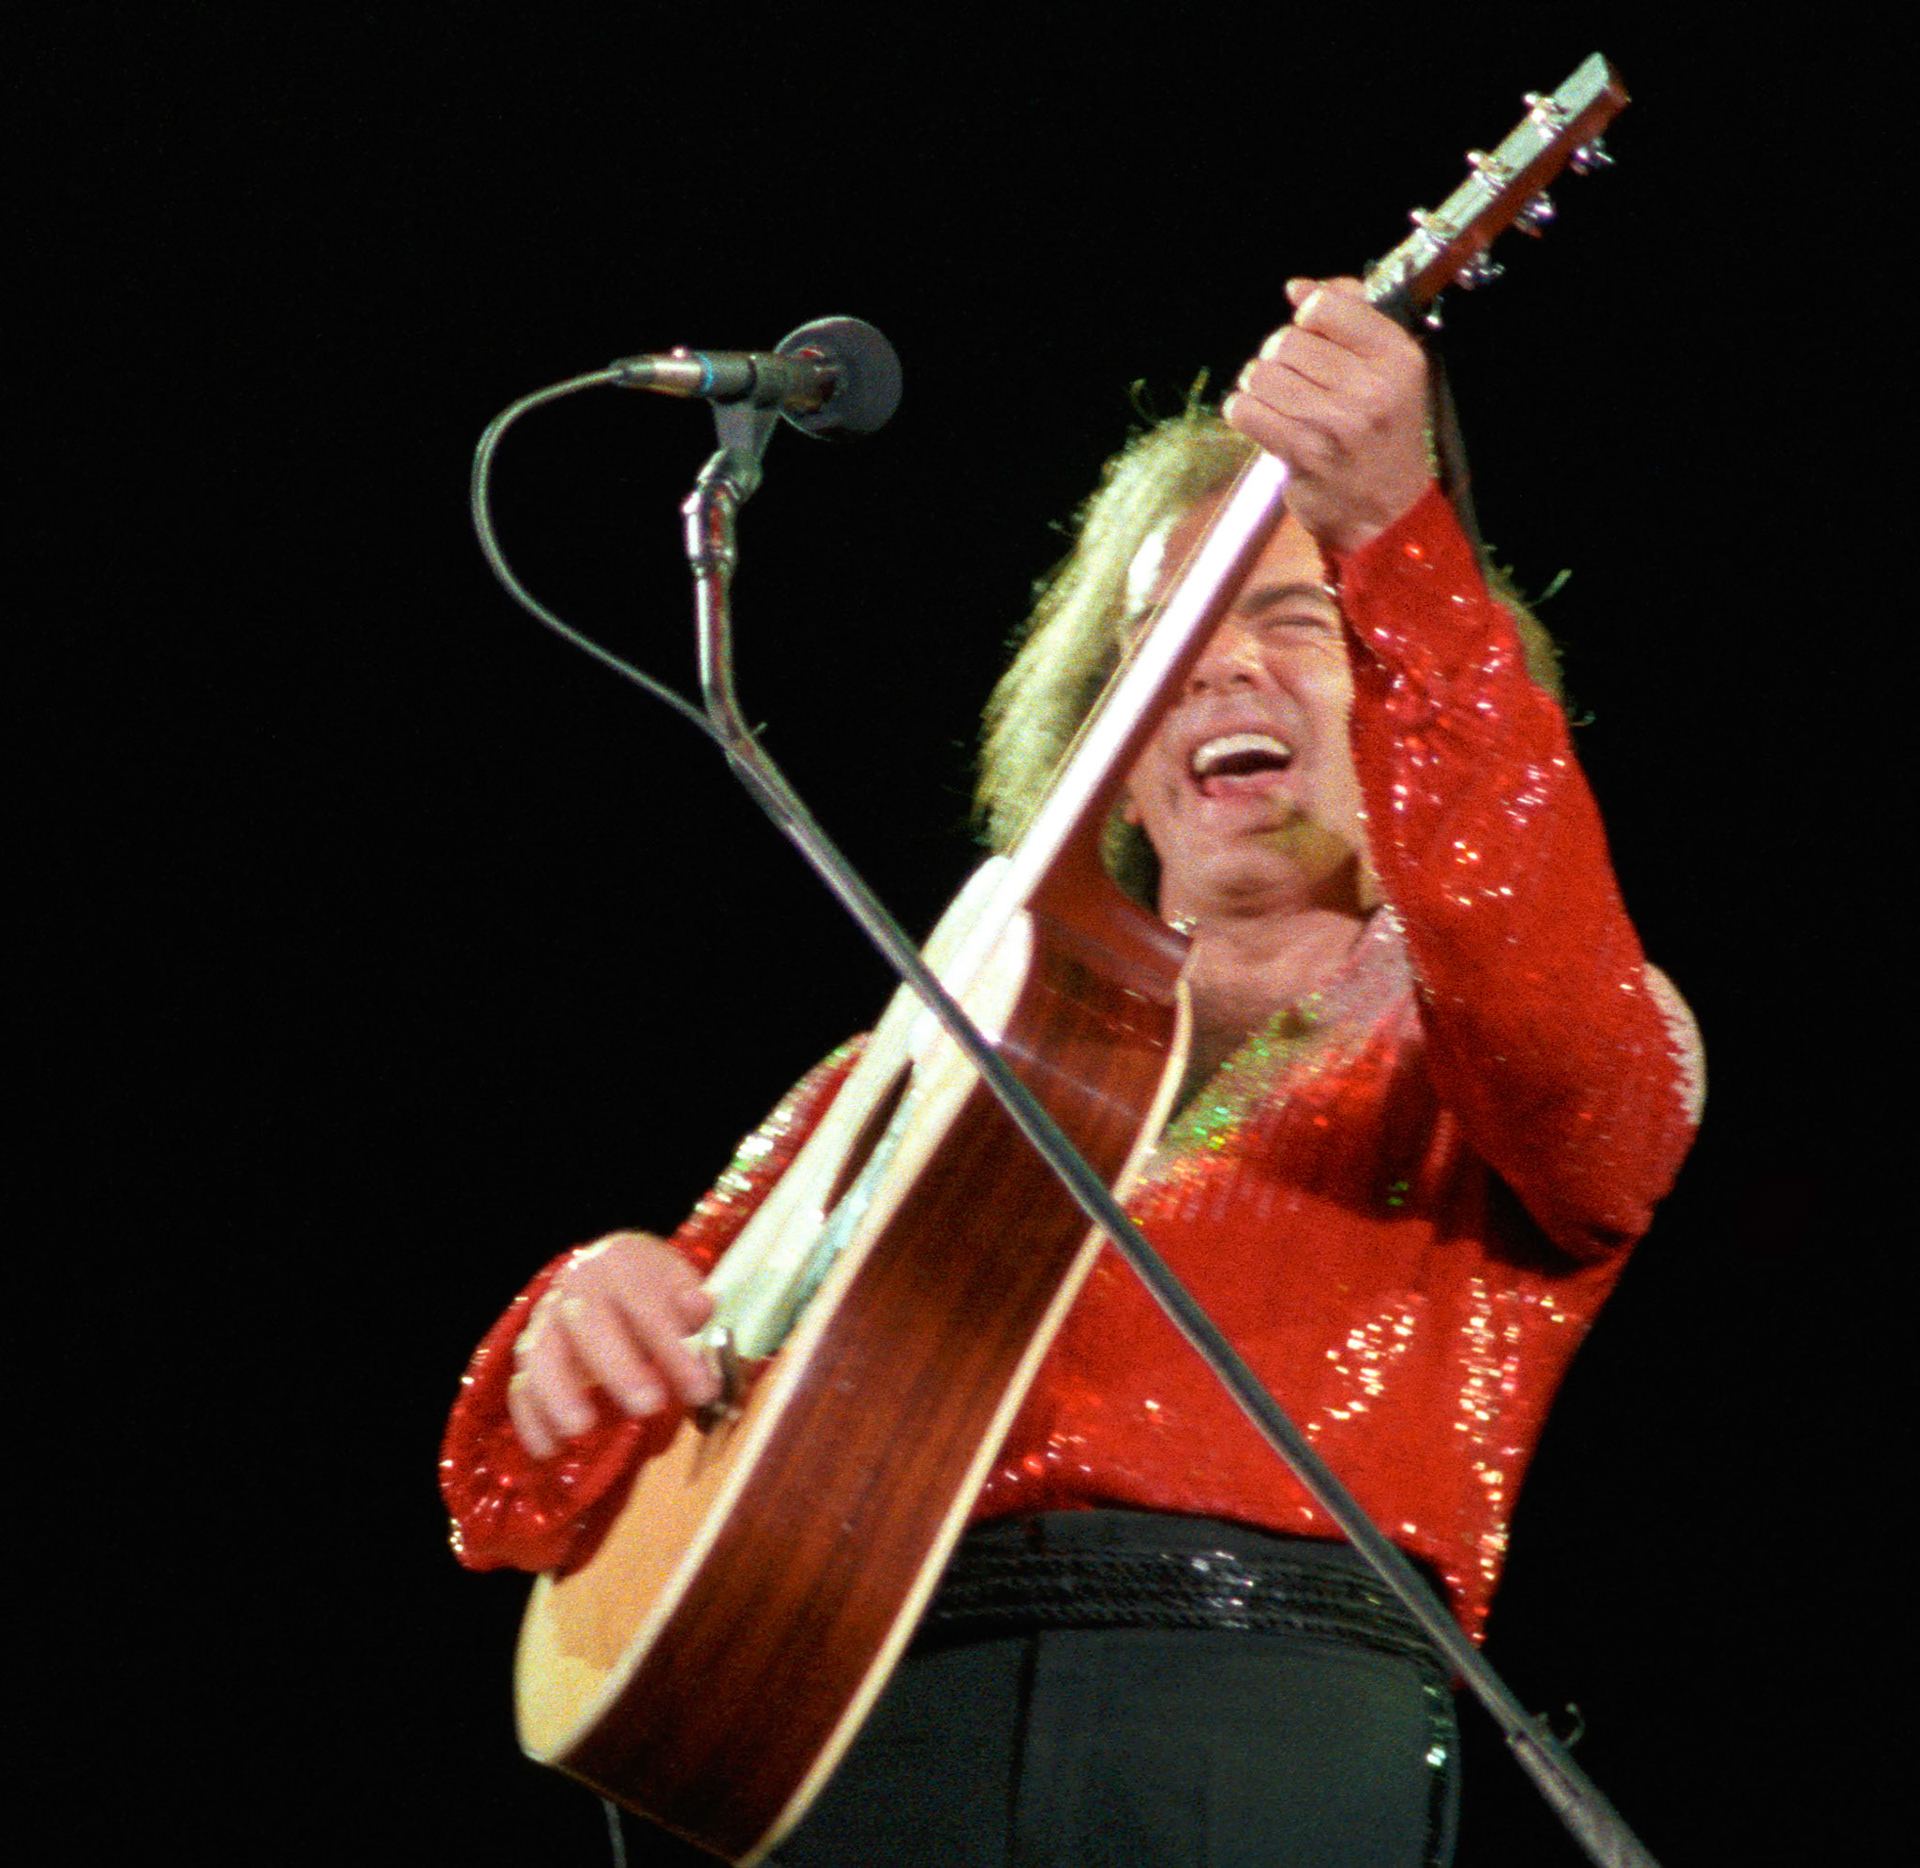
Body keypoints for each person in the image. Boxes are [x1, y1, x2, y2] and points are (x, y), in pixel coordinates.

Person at [441, 278, 1702, 1867]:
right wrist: (593, 1323)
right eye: (1163, 638)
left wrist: (1397, 538)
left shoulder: (1518, 1030)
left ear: (1399, 670)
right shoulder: (920, 1052)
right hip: (837, 1733)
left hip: (1247, 1727)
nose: (1220, 667)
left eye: (1295, 617)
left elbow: (1582, 1082)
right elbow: (549, 1494)